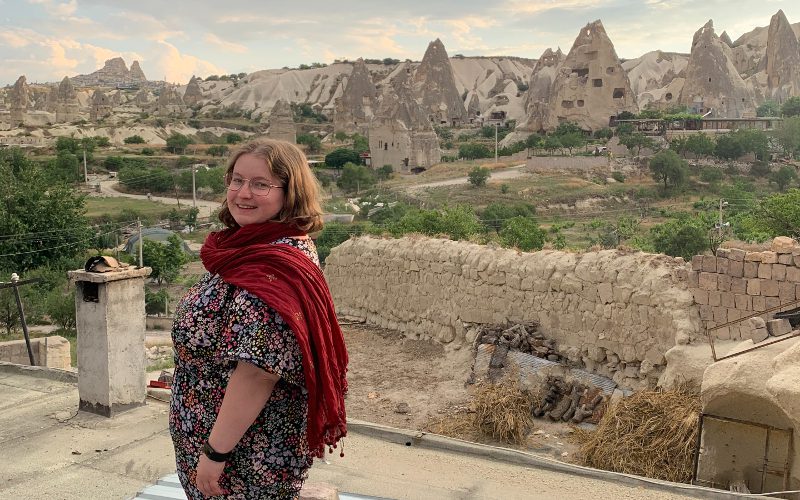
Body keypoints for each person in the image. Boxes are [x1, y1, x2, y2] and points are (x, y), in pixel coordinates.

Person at [169, 139, 348, 498]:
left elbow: (257, 373)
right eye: (236, 180)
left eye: (260, 184)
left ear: (290, 192)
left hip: (245, 452)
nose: (242, 193)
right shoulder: (250, 248)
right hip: (213, 432)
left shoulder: (274, 266)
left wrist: (215, 452)